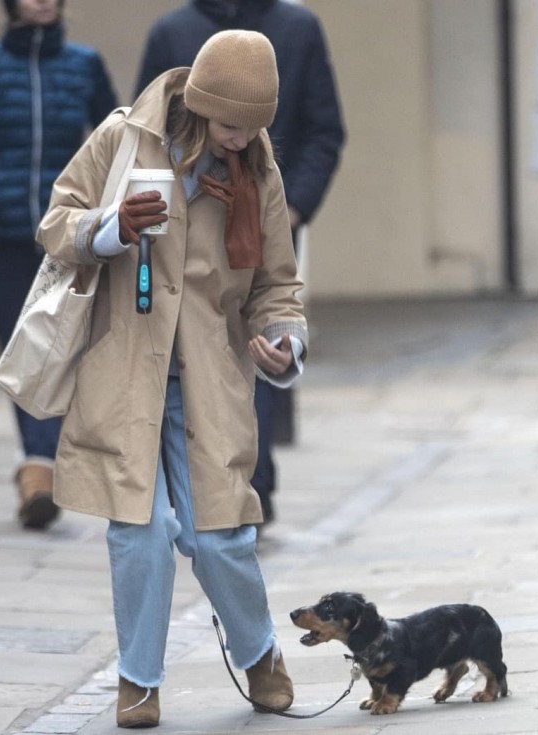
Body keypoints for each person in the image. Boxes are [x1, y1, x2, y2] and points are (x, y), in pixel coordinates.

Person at [37, 29, 308, 728]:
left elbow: (278, 285)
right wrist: (112, 227)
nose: (239, 141)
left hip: (209, 378)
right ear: (199, 102)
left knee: (221, 535)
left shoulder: (259, 170)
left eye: (253, 128)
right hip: (125, 373)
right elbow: (56, 222)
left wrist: (285, 342)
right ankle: (138, 679)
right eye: (228, 125)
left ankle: (260, 652)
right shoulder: (123, 138)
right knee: (141, 531)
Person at [135, 0, 345, 526]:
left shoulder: (298, 27)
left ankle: (250, 484)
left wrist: (291, 206)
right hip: (179, 228)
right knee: (186, 350)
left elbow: (326, 128)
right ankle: (194, 482)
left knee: (260, 339)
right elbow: (143, 130)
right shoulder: (173, 30)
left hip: (268, 217)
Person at [0, 0, 117, 530]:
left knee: (59, 351)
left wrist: (100, 210)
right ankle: (39, 469)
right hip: (3, 236)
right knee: (23, 351)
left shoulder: (85, 62)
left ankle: (38, 469)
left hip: (68, 238)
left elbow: (115, 137)